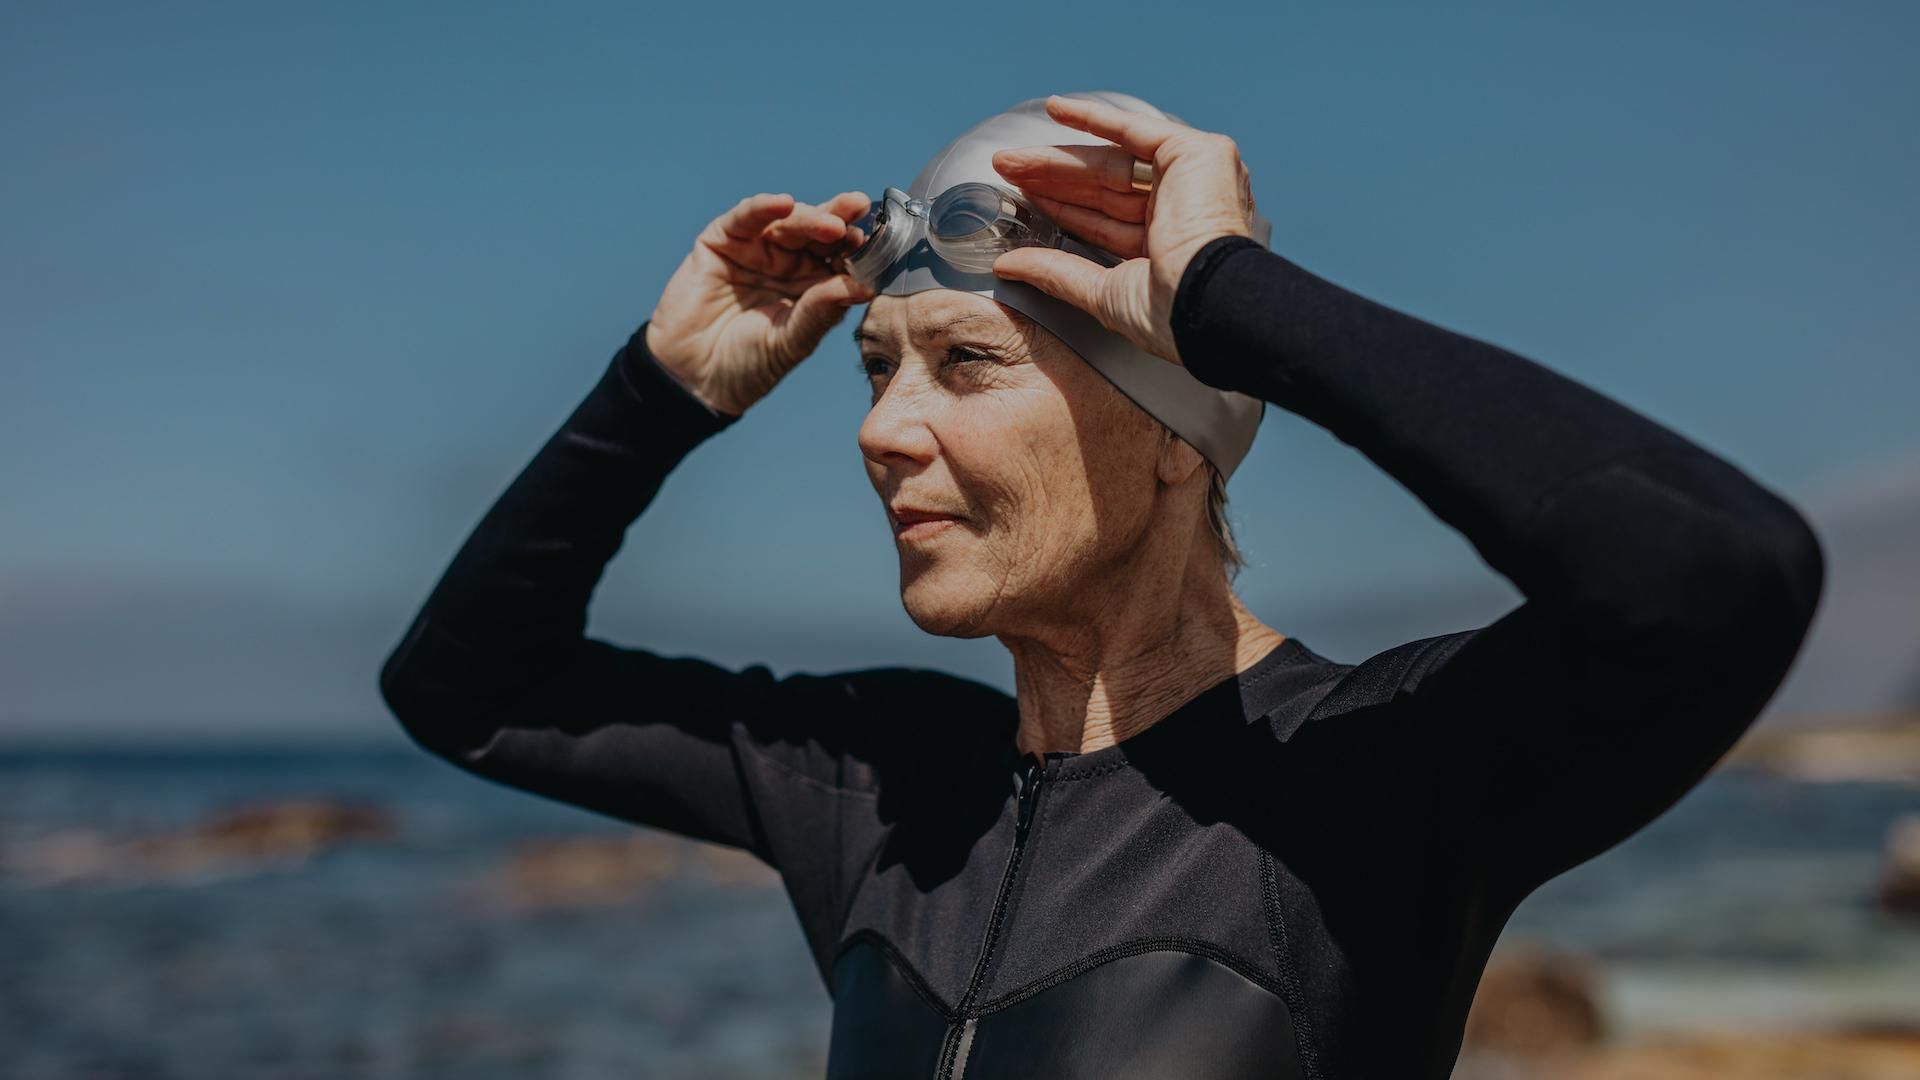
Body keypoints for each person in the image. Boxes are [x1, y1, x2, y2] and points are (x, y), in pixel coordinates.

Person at [378, 92, 1825, 1079]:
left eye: (969, 365)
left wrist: (1228, 300)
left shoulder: (1369, 778)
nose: (884, 429)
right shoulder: (881, 789)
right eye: (879, 370)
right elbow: (465, 691)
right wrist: (663, 391)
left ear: (1177, 444)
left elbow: (1716, 578)